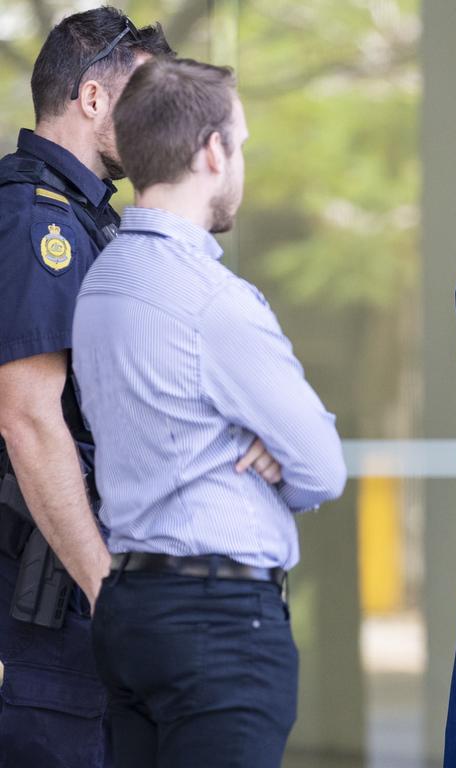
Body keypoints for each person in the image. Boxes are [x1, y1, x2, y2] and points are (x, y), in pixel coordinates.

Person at [71, 57, 347, 768]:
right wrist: (275, 455)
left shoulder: (103, 281)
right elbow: (321, 465)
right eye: (242, 143)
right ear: (213, 150)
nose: (241, 162)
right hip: (217, 625)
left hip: (130, 609)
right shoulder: (212, 300)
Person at [0, 8, 171, 766]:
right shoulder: (38, 223)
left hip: (81, 577)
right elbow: (30, 419)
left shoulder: (87, 219)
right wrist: (109, 593)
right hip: (50, 591)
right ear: (93, 99)